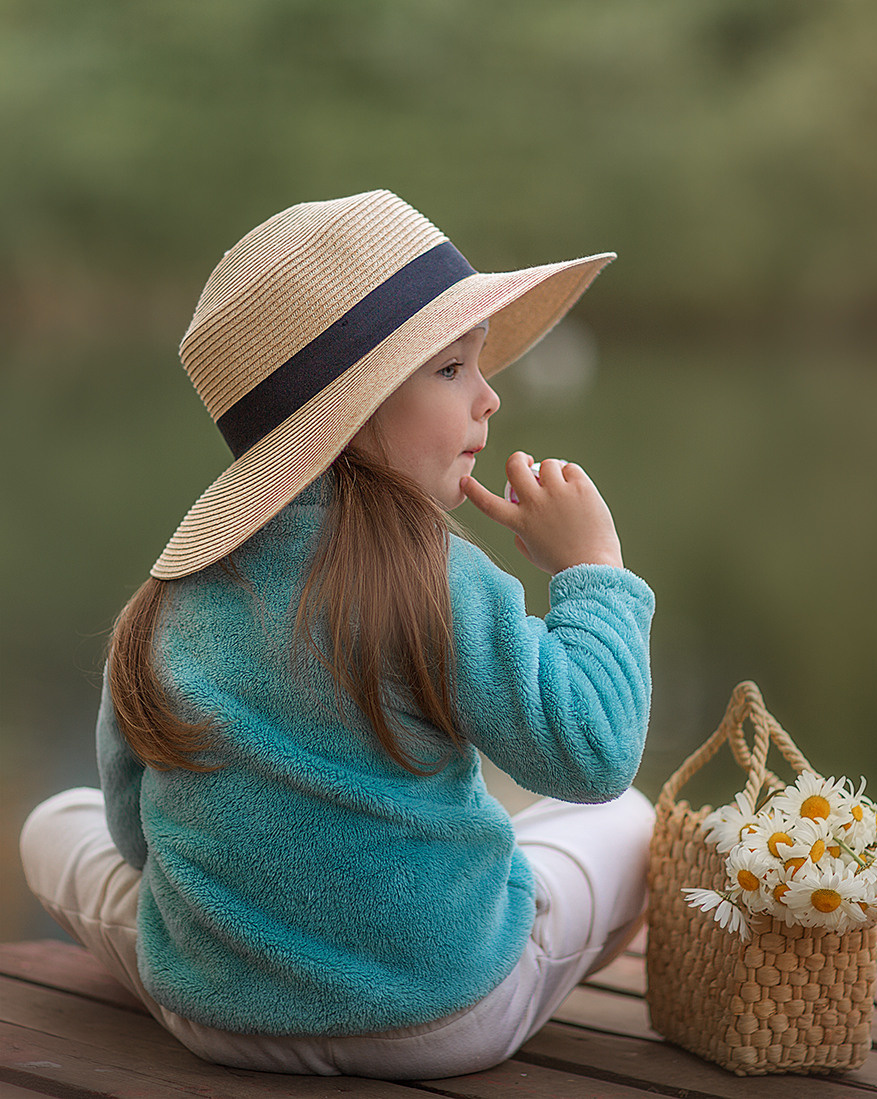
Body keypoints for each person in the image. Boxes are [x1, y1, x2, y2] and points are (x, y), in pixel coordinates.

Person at [19, 190, 655, 1079]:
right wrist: (596, 571)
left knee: (57, 823)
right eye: (451, 370)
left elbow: (132, 834)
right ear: (349, 409)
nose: (490, 396)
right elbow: (592, 752)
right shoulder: (438, 576)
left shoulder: (165, 603)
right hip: (443, 1014)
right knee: (628, 819)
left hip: (214, 1013)